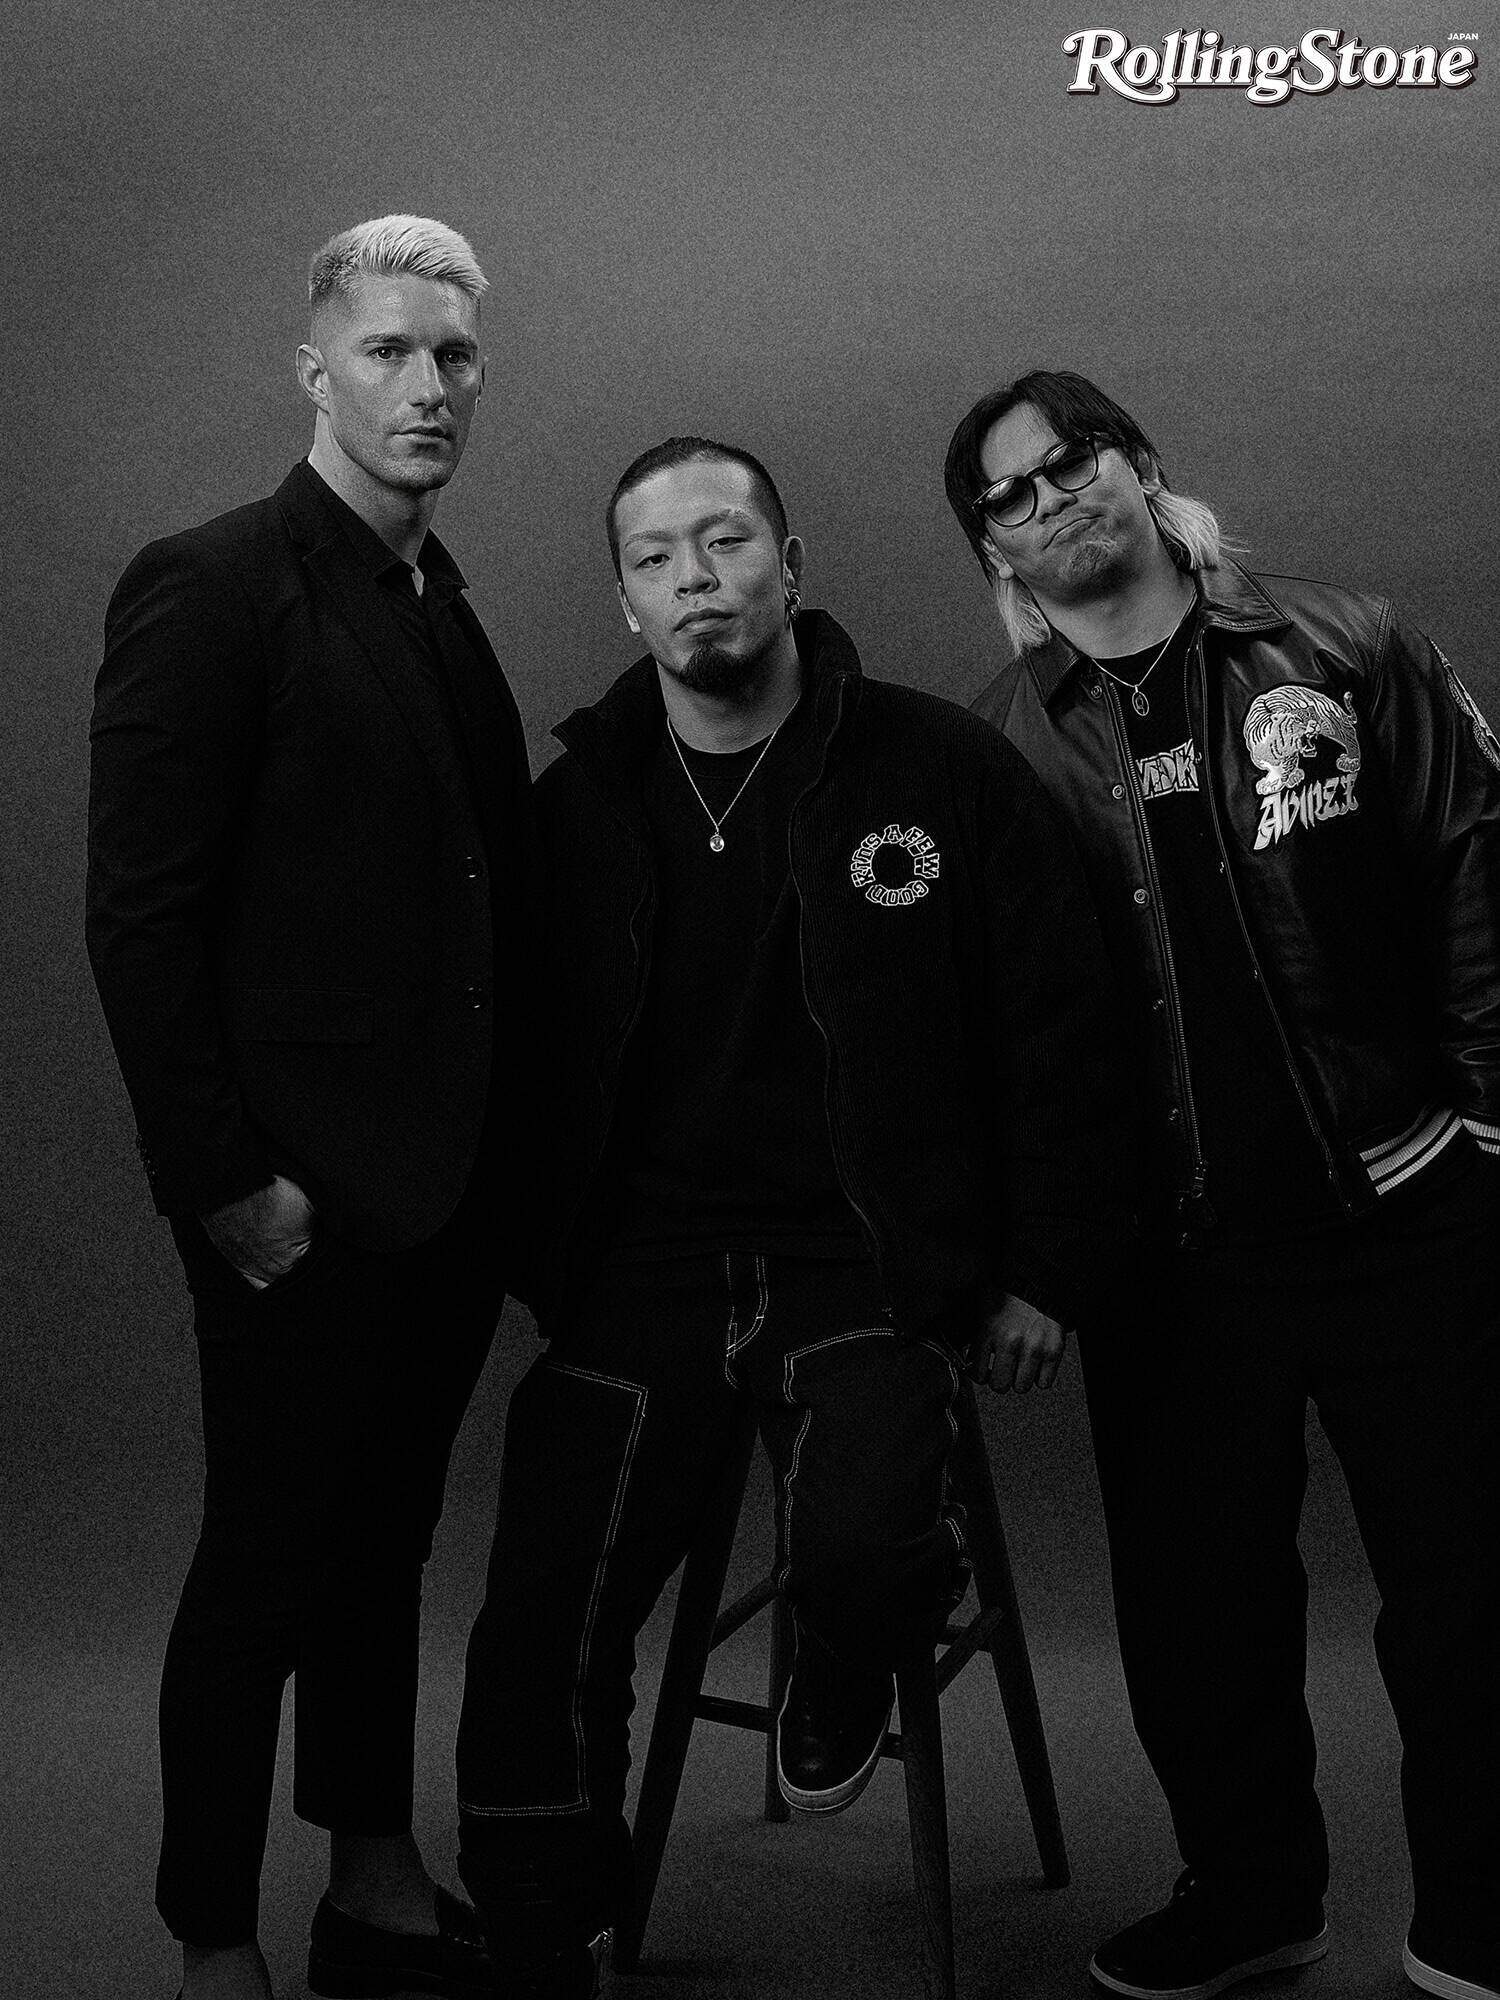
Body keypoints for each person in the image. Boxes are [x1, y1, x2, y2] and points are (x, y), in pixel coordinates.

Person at [451, 434, 1125, 1996]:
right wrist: (530, 1258)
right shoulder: (576, 808)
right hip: (643, 1272)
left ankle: (839, 1667)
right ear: (627, 604)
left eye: (727, 540)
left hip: (869, 1260)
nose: (696, 576)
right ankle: (550, 1925)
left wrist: (1045, 1272)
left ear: (790, 565)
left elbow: (1063, 1033)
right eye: (656, 557)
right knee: (544, 1602)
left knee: (870, 1548)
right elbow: (506, 1062)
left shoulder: (934, 769)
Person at [944, 369, 1500, 2000]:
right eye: (1007, 497)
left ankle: (1483, 1911)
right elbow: (1009, 1030)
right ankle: (1254, 1900)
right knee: (1200, 1616)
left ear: (1140, 463)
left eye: (1071, 462)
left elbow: (1477, 862)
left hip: (1404, 1203)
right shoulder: (1001, 746)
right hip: (1176, 1258)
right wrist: (1045, 1247)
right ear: (994, 547)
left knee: (1471, 1587)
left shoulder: (1345, 644)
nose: (1050, 501)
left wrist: (1491, 1128)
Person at [86, 215, 537, 2000]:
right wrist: (221, 1182)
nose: (428, 387)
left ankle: (373, 1874)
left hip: (443, 1194)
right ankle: (214, 1937)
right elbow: (141, 915)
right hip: (290, 1202)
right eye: (388, 353)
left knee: (383, 1549)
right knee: (266, 1563)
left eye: (456, 356)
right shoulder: (209, 584)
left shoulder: (441, 602)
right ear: (314, 370)